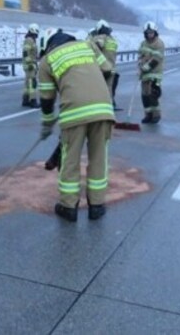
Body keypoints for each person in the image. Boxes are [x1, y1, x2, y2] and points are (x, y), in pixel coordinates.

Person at [38, 29, 114, 222]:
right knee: (99, 157)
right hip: (103, 108)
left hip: (74, 112)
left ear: (47, 46)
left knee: (70, 160)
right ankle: (97, 206)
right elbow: (107, 69)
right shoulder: (87, 44)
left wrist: (47, 123)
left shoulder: (47, 61)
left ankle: (68, 207)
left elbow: (47, 99)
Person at [139, 22, 165, 124]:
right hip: (144, 74)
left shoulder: (159, 43)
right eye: (148, 32)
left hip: (155, 73)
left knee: (153, 94)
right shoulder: (143, 43)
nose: (150, 34)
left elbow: (157, 58)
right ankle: (148, 115)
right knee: (144, 95)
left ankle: (156, 115)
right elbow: (140, 55)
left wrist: (146, 67)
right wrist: (139, 65)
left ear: (155, 32)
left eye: (151, 32)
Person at [90, 20, 119, 107]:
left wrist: (91, 39)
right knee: (108, 90)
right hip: (111, 69)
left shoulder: (101, 37)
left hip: (101, 69)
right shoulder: (113, 40)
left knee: (98, 90)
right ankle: (108, 108)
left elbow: (98, 45)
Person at [21, 24, 40, 108]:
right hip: (30, 65)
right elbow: (26, 53)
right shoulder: (29, 40)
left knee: (27, 83)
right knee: (32, 83)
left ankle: (25, 99)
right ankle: (33, 100)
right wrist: (31, 63)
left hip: (29, 64)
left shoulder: (31, 39)